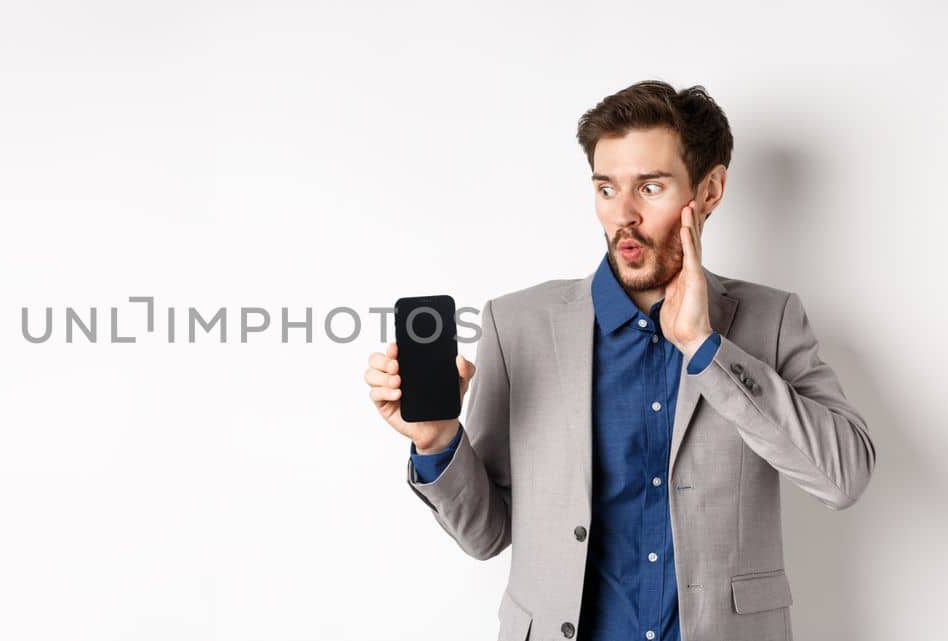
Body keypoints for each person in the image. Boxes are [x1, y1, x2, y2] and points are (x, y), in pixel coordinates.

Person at [363, 80, 875, 641]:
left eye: (650, 187)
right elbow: (485, 535)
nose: (622, 216)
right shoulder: (519, 324)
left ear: (709, 190)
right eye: (606, 189)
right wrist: (438, 442)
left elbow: (843, 477)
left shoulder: (770, 320)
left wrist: (708, 350)